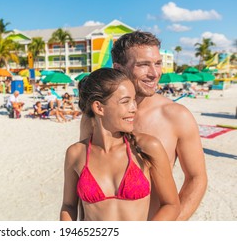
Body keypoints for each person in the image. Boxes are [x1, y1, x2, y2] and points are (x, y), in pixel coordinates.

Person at [80, 31, 207, 220]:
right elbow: (84, 174)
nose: (155, 73)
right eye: (143, 65)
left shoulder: (176, 116)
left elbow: (197, 178)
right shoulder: (95, 117)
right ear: (118, 68)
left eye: (157, 63)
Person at [60, 68, 180, 221]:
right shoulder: (76, 153)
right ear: (99, 108)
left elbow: (171, 205)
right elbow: (69, 206)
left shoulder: (147, 147)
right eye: (125, 102)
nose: (134, 108)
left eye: (134, 100)